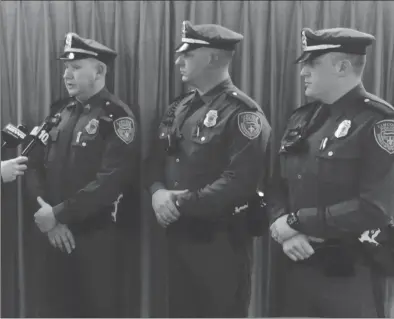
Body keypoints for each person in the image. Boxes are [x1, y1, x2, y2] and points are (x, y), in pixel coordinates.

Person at [146, 21, 271, 317]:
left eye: (188, 55)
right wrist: (156, 192)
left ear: (213, 58)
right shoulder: (180, 106)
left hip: (220, 243)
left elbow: (240, 181)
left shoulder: (243, 113)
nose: (179, 61)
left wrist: (175, 202)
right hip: (178, 237)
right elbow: (154, 160)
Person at [268, 27, 394, 317]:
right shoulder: (302, 118)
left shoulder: (378, 122)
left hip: (348, 273)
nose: (303, 72)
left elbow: (375, 208)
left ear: (342, 67)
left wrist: (298, 221)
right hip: (294, 264)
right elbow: (275, 184)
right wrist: (285, 229)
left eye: (312, 63)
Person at [26, 32, 140, 317]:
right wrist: (50, 219)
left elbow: (110, 182)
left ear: (100, 71)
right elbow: (32, 163)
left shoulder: (116, 118)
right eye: (66, 67)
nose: (67, 74)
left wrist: (59, 214)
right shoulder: (59, 113)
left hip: (96, 238)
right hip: (52, 234)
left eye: (76, 67)